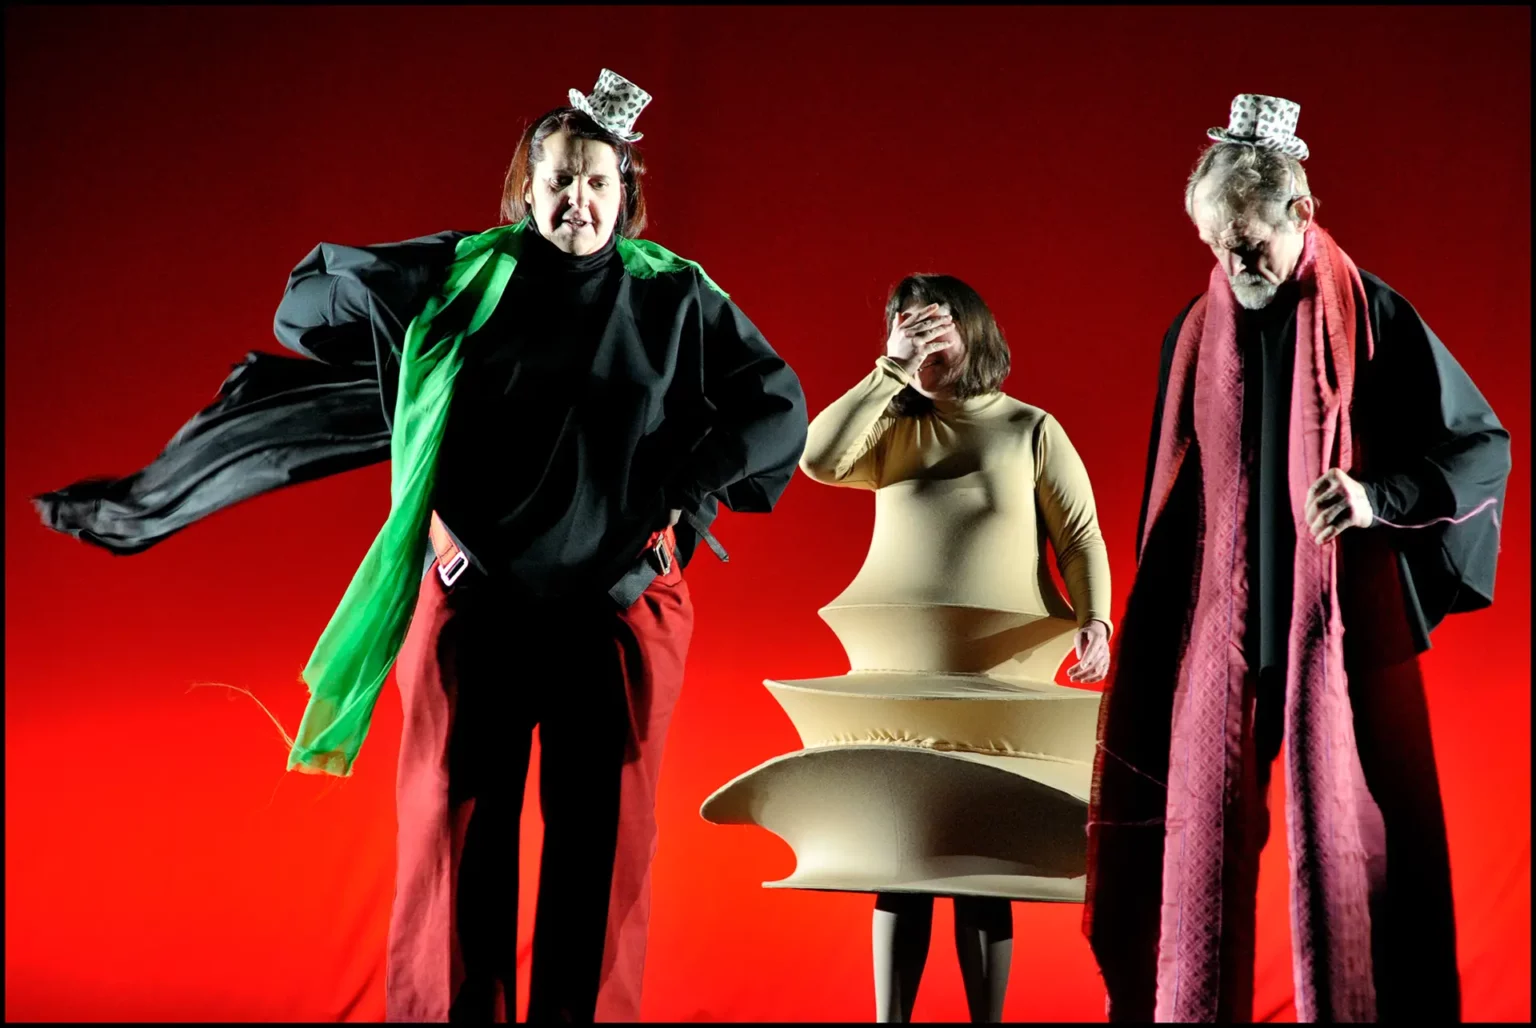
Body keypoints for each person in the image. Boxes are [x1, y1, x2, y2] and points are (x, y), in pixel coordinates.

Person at [35, 69, 808, 1022]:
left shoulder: (675, 297)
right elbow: (306, 306)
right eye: (559, 180)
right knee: (453, 845)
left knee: (603, 853)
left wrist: (679, 495)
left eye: (598, 182)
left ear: (626, 194)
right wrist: (402, 297)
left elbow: (779, 410)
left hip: (614, 612)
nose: (578, 200)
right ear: (527, 188)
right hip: (477, 606)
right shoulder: (469, 277)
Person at [1083, 94, 1511, 1023]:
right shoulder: (1192, 335)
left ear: (1300, 215)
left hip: (1338, 639)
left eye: (1248, 243)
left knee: (1361, 850)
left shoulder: (1371, 317)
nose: (1232, 265)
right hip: (1222, 641)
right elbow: (1175, 501)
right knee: (1195, 843)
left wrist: (1372, 496)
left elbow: (1482, 447)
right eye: (1213, 244)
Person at [799, 274, 1114, 1021]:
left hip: (999, 683)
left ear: (972, 329)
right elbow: (818, 459)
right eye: (906, 326)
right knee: (899, 851)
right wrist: (890, 368)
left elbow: (1080, 538)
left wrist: (1094, 620)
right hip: (902, 681)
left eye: (936, 324)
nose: (924, 339)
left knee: (982, 858)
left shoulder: (1029, 429)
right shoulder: (892, 427)